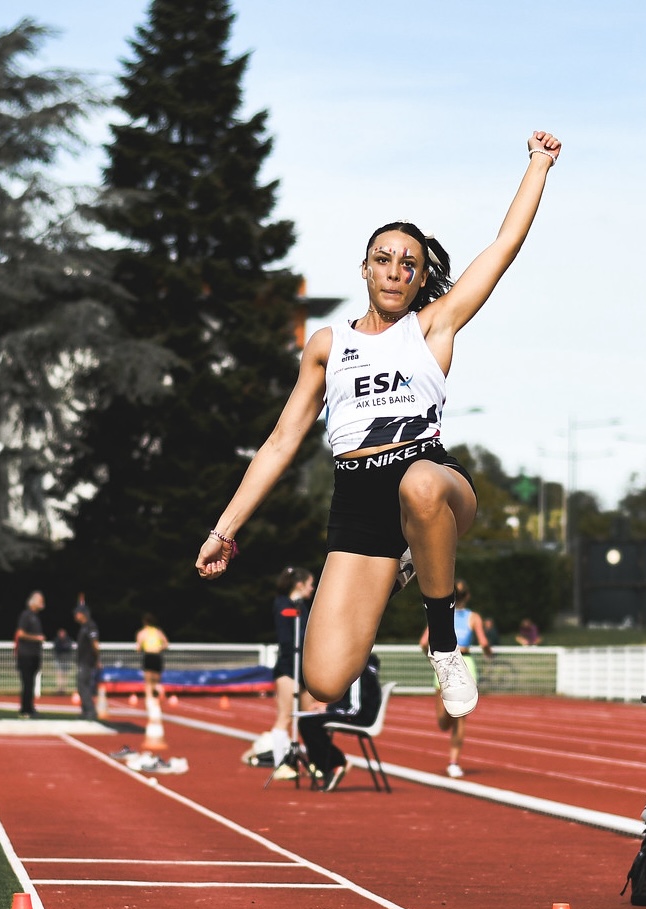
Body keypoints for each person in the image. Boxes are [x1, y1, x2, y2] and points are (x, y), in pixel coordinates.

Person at [195, 129, 562, 723]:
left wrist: (538, 165)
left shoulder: (433, 326)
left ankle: (443, 642)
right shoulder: (326, 344)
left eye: (409, 265)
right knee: (323, 680)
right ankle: (408, 560)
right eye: (384, 260)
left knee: (418, 486)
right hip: (360, 501)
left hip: (432, 479)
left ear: (421, 279)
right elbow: (281, 441)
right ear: (365, 268)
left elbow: (504, 245)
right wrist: (225, 528)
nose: (395, 272)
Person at [419, 581, 491, 778]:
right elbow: (483, 642)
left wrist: (432, 659)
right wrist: (488, 652)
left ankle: (453, 761)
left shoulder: (441, 614)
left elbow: (424, 642)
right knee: (454, 719)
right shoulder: (473, 617)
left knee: (449, 720)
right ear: (467, 596)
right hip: (466, 663)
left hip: (444, 662)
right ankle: (453, 762)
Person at [298, 651, 382, 793]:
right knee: (308, 721)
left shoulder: (357, 663)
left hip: (359, 716)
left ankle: (334, 764)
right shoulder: (361, 660)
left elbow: (355, 707)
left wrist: (328, 709)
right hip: (357, 712)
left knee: (309, 723)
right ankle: (331, 764)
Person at [270, 566, 316, 776]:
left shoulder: (304, 606)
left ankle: (315, 762)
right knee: (286, 716)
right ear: (299, 584)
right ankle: (281, 765)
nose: (312, 589)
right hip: (288, 666)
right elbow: (287, 638)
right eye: (310, 584)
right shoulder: (282, 603)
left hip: (305, 666)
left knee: (308, 718)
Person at [14, 592, 46, 718]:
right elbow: (20, 634)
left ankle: (30, 707)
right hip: (26, 655)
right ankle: (25, 709)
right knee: (27, 682)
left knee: (31, 683)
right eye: (41, 601)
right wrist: (36, 638)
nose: (43, 604)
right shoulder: (26, 615)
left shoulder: (35, 616)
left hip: (34, 655)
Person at [73, 604, 101, 720]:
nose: (75, 616)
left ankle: (90, 711)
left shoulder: (90, 626)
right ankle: (85, 710)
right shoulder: (84, 626)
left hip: (87, 661)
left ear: (82, 614)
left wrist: (97, 659)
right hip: (83, 661)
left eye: (76, 614)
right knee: (82, 686)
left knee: (83, 686)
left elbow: (95, 643)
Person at [135, 614, 170, 704]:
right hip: (157, 656)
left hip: (148, 656)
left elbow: (138, 648)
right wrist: (159, 648)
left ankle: (149, 699)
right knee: (156, 680)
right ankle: (157, 697)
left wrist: (141, 648)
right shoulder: (158, 632)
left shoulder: (142, 632)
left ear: (144, 622)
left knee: (148, 680)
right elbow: (166, 644)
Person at [52, 627, 76, 692]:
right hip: (59, 659)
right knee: (59, 674)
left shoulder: (68, 640)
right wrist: (63, 647)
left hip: (66, 659)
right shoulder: (57, 640)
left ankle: (64, 689)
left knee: (65, 674)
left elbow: (69, 647)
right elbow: (57, 648)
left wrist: (64, 647)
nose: (62, 634)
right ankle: (59, 688)